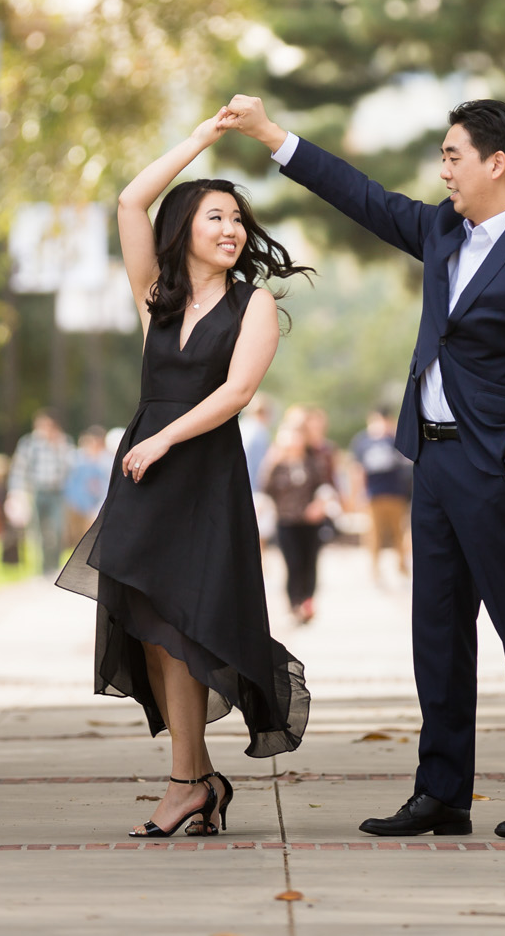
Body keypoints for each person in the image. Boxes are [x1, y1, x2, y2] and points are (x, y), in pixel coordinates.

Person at [226, 93, 505, 841]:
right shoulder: (440, 231)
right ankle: (441, 793)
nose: (444, 168)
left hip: (496, 472)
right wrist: (272, 136)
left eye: (454, 154)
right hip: (431, 461)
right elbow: (358, 194)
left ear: (498, 162)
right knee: (437, 633)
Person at [57, 109, 312, 840]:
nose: (232, 229)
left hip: (201, 473)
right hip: (147, 474)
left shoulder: (254, 303)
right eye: (214, 215)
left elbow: (234, 396)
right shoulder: (157, 298)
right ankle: (195, 780)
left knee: (189, 629)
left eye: (237, 217)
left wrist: (164, 436)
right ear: (186, 228)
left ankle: (186, 783)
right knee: (151, 627)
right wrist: (201, 141)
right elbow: (130, 200)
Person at [260, 406, 337, 624]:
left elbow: (325, 486)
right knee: (293, 563)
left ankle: (308, 602)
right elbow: (265, 491)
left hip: (310, 522)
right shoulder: (276, 465)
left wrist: (319, 505)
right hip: (286, 522)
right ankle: (294, 604)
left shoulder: (313, 462)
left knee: (310, 563)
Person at [7, 410, 73, 574]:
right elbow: (19, 469)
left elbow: (71, 467)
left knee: (57, 530)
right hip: (37, 490)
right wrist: (16, 492)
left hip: (57, 492)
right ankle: (43, 568)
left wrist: (58, 446)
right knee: (38, 531)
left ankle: (55, 564)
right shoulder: (29, 443)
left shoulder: (64, 443)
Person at [351, 408, 412, 581]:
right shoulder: (363, 441)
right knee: (373, 533)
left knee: (398, 532)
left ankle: (402, 565)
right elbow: (358, 469)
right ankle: (374, 568)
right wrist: (358, 493)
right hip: (374, 493)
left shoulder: (395, 438)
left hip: (397, 493)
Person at [62, 427, 110, 548]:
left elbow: (105, 486)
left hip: (97, 505)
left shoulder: (107, 460)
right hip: (77, 504)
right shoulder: (78, 458)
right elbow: (71, 482)